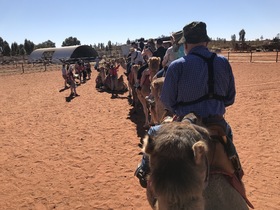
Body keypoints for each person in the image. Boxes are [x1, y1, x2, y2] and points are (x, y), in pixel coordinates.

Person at [135, 21, 242, 187]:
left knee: (154, 131)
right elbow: (230, 98)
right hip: (217, 123)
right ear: (206, 42)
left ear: (185, 44)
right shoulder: (223, 62)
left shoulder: (177, 66)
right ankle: (236, 168)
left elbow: (168, 102)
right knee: (228, 135)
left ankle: (143, 170)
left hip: (186, 124)